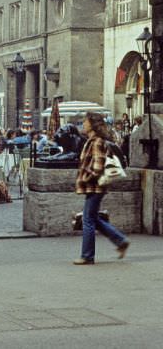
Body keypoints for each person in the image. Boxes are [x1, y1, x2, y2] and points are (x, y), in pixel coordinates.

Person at [73, 112, 130, 265]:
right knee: (93, 218)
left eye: (85, 121)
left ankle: (87, 256)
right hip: (94, 186)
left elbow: (98, 167)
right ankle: (120, 241)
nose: (83, 124)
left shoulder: (97, 142)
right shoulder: (91, 141)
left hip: (94, 186)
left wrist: (84, 178)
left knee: (87, 220)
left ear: (92, 124)